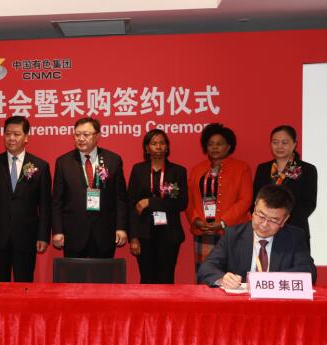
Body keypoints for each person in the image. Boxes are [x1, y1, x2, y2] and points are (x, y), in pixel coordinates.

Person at [0, 116, 51, 282]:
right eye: (8, 133)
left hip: (27, 237)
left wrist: (42, 236)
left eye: (16, 134)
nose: (11, 138)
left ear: (26, 137)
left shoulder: (40, 166)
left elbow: (45, 206)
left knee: (24, 284)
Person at [198, 184, 317, 287]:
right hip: (241, 302)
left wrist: (268, 282)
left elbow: (308, 272)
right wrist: (222, 279)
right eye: (261, 216)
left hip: (277, 302)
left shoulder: (294, 237)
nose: (264, 225)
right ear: (254, 207)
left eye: (273, 220)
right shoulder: (233, 235)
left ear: (285, 219)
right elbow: (206, 267)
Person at [52, 117, 128, 258]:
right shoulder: (63, 162)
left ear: (97, 136)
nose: (81, 139)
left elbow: (120, 198)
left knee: (103, 272)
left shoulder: (113, 160)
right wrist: (57, 231)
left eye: (86, 135)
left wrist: (121, 227)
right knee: (74, 272)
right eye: (77, 135)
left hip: (104, 232)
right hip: (73, 233)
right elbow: (57, 200)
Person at [186, 123, 253, 273]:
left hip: (233, 231)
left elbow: (246, 200)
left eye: (219, 144)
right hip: (204, 232)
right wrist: (196, 220)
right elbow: (189, 200)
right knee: (205, 275)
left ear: (229, 146)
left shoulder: (241, 168)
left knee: (233, 276)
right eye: (210, 144)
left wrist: (223, 222)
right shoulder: (197, 170)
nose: (214, 147)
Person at [128, 129, 188, 284]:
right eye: (154, 143)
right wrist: (133, 237)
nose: (158, 147)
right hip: (144, 235)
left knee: (166, 279)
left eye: (162, 143)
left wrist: (150, 202)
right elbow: (131, 205)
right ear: (147, 148)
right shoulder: (138, 170)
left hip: (169, 235)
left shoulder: (178, 171)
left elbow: (181, 203)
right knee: (146, 279)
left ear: (167, 147)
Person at [253, 125, 317, 249]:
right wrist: (265, 222)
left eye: (284, 142)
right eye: (275, 142)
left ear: (294, 144)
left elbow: (309, 203)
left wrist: (281, 222)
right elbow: (255, 200)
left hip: (294, 230)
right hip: (265, 230)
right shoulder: (263, 169)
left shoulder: (308, 170)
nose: (279, 146)